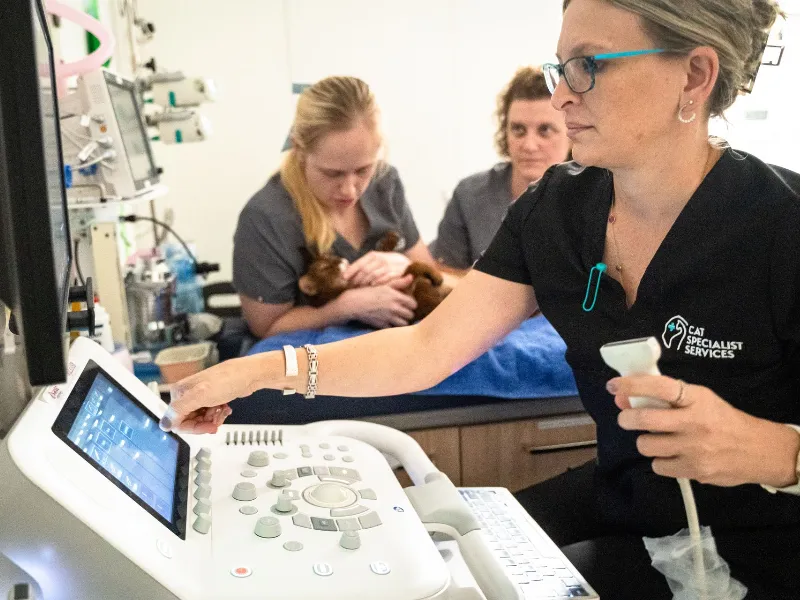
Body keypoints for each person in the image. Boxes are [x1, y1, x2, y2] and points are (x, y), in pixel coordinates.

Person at [163, 0, 800, 597]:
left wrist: (777, 452)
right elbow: (425, 349)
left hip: (768, 546)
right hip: (628, 511)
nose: (560, 95)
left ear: (693, 75)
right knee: (419, 552)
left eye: (588, 67)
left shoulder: (783, 227)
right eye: (561, 67)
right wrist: (257, 373)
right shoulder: (554, 211)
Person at [233, 76, 437, 337]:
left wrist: (400, 263)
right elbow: (267, 326)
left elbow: (431, 273)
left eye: (363, 170)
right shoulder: (266, 218)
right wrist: (345, 307)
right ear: (299, 150)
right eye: (333, 174)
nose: (350, 190)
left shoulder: (385, 183)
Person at [431, 67, 571, 271]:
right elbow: (443, 275)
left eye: (545, 130)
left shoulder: (597, 198)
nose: (529, 145)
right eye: (518, 130)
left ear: (572, 133)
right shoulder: (470, 196)